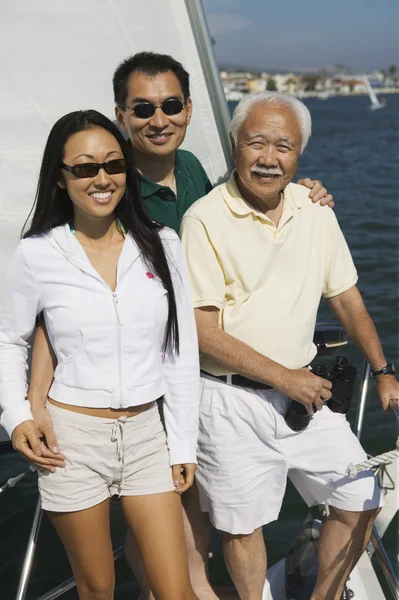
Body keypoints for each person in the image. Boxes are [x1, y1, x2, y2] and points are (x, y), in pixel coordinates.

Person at [24, 53, 335, 600]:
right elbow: (63, 305)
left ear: (190, 110)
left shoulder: (190, 170)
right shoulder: (109, 194)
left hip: (192, 380)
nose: (158, 118)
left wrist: (298, 188)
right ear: (121, 115)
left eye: (171, 105)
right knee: (178, 543)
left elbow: (240, 197)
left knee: (196, 525)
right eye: (143, 108)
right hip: (135, 391)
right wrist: (32, 400)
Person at [180, 91, 399, 600]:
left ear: (299, 154)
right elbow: (202, 330)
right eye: (256, 142)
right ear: (236, 145)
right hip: (231, 400)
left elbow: (344, 297)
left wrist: (384, 368)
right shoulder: (204, 219)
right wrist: (286, 379)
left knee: (362, 498)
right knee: (243, 527)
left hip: (305, 395)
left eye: (284, 146)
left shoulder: (313, 209)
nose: (269, 158)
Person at [0, 110, 201, 600]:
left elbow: (180, 350)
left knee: (177, 592)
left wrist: (182, 443)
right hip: (71, 443)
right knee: (97, 589)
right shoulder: (37, 254)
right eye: (85, 168)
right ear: (61, 178)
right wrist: (18, 416)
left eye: (113, 165)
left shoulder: (163, 243)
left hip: (149, 437)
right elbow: (9, 340)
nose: (102, 178)